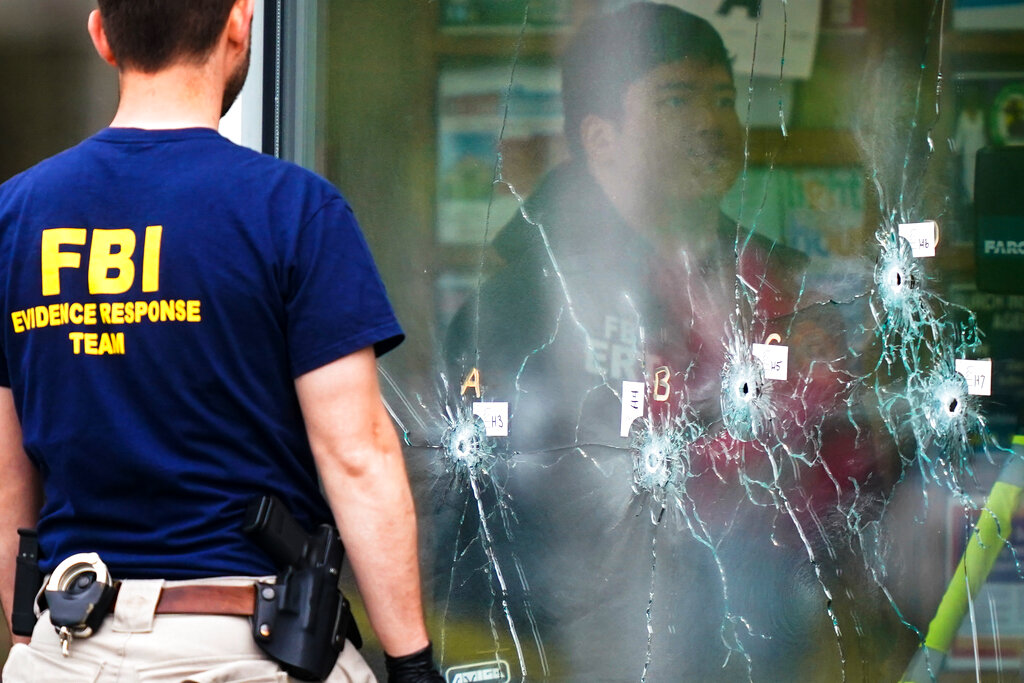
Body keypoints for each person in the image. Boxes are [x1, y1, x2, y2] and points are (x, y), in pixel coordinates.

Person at [441, 3, 902, 680]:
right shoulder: (522, 309)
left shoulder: (783, 291)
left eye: (724, 99)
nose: (712, 122)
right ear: (601, 138)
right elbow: (482, 528)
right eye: (677, 99)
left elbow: (839, 479)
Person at [0, 1, 444, 681]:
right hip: (246, 650)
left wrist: (32, 637)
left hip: (67, 645)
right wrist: (412, 663)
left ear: (101, 36)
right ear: (239, 22)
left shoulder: (15, 217)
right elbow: (356, 456)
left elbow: (8, 477)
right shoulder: (293, 210)